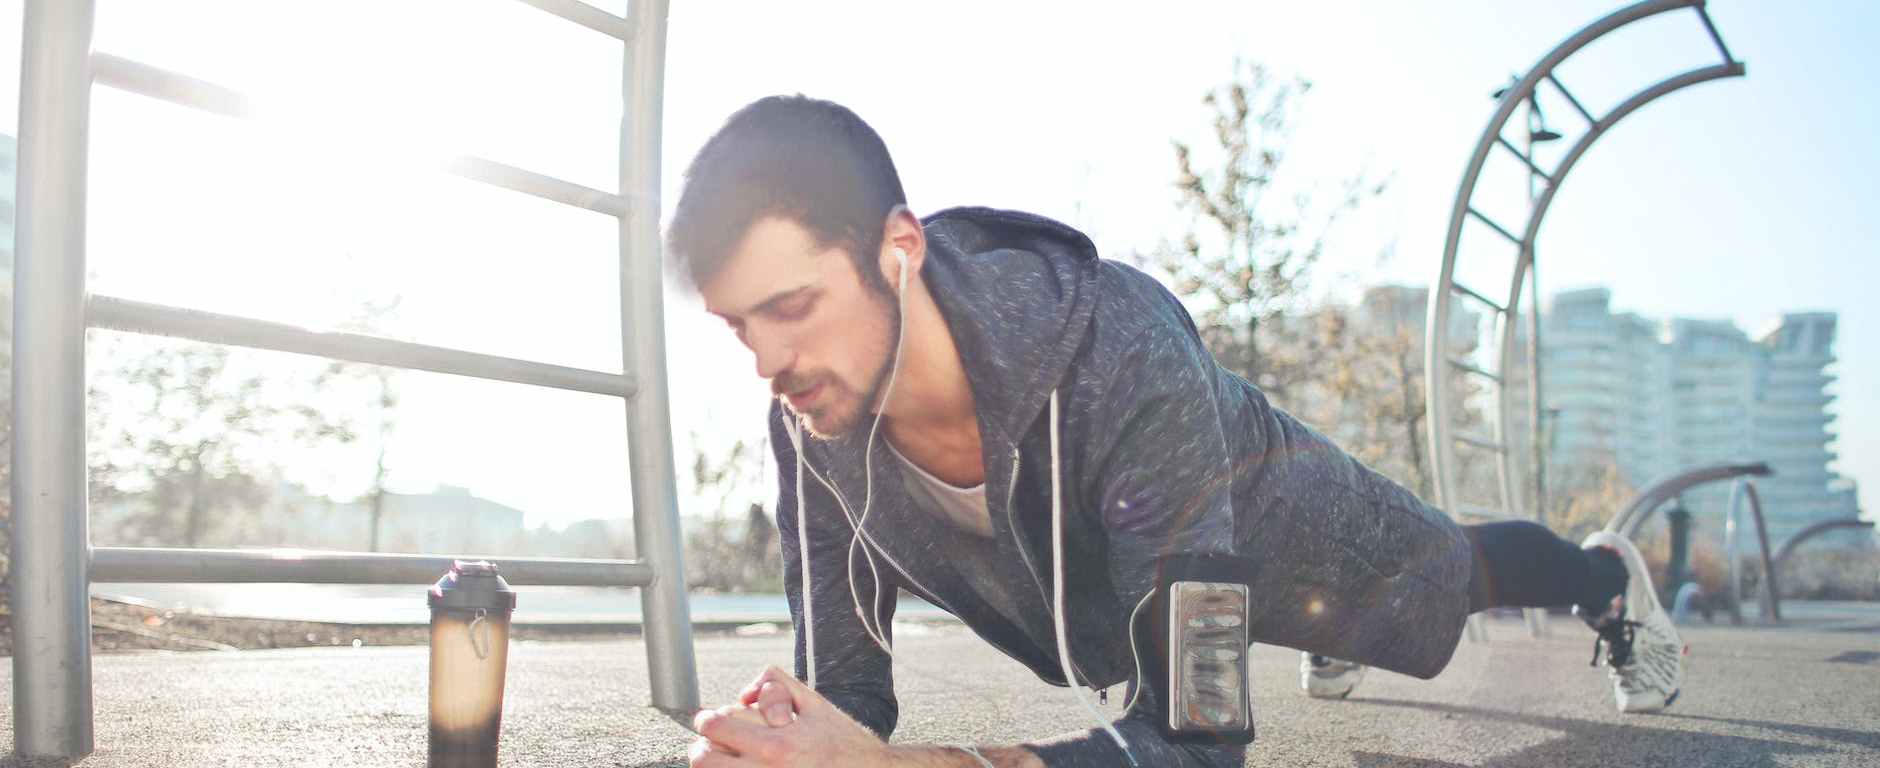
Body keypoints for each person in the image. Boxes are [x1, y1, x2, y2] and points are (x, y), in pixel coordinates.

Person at [670, 95, 1686, 768]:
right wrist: (782, 739)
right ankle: (1320, 635)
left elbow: (1197, 745)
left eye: (793, 307)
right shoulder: (812, 419)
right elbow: (847, 690)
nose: (768, 361)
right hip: (1148, 589)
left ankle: (1602, 577)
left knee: (1453, 572)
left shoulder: (1118, 349)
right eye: (738, 326)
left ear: (899, 249)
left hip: (1291, 532)